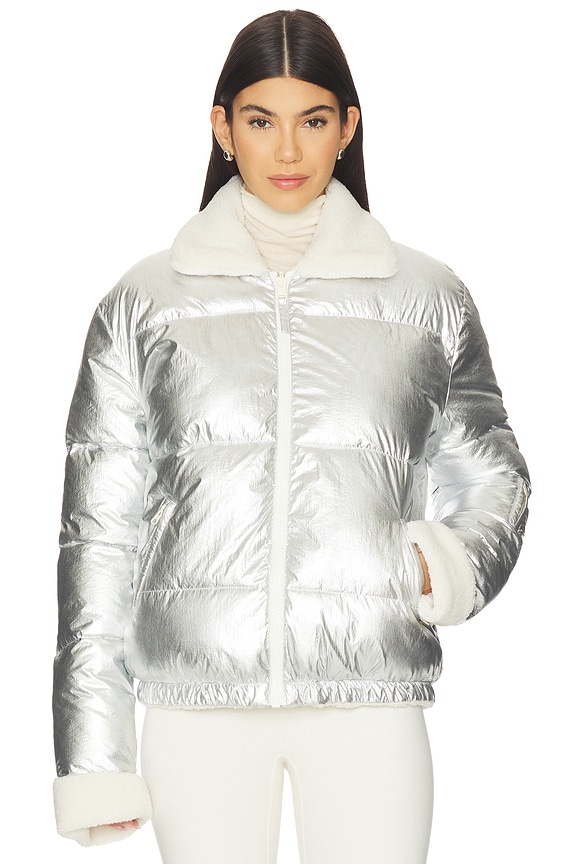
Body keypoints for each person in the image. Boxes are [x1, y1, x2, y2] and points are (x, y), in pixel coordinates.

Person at [52, 9, 530, 864]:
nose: (286, 150)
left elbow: (495, 476)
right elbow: (98, 538)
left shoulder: (425, 298)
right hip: (196, 709)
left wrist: (442, 565)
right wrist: (94, 759)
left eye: (312, 121)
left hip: (369, 702)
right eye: (259, 120)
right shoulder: (146, 303)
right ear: (221, 129)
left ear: (347, 128)